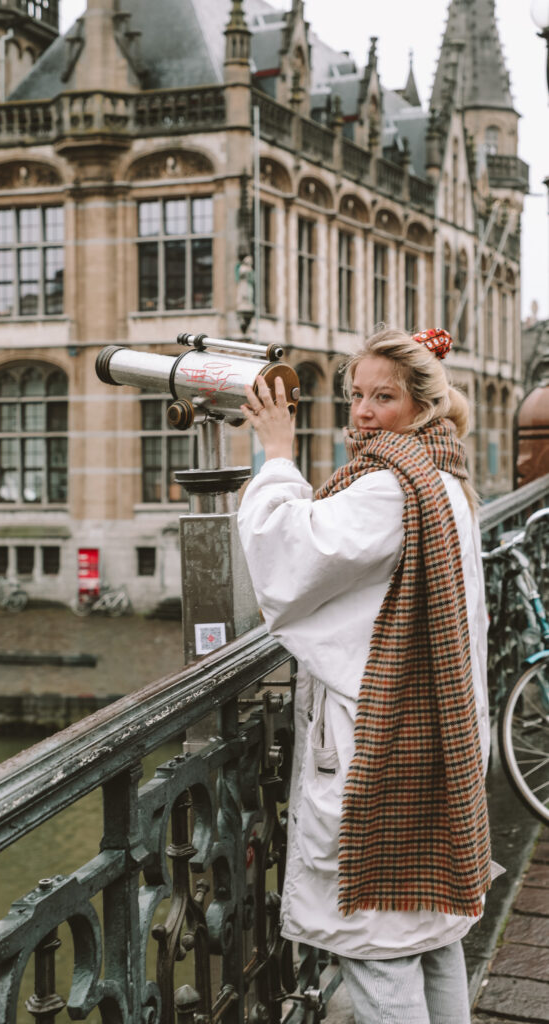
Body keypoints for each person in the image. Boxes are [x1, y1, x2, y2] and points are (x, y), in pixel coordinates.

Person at [237, 326, 498, 1024]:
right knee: (432, 937)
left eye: (382, 397)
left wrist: (276, 454)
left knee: (376, 954)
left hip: (377, 754)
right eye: (355, 395)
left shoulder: (389, 487)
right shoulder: (443, 478)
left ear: (422, 407)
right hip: (437, 747)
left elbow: (286, 553)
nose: (360, 412)